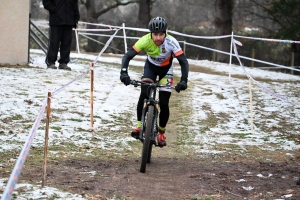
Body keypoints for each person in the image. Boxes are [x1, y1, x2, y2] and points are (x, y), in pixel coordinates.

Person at [120, 16, 189, 147]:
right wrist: (123, 73)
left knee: (164, 102)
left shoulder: (171, 42)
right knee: (144, 93)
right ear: (151, 33)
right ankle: (139, 126)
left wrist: (184, 80)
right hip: (150, 69)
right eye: (155, 34)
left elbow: (183, 61)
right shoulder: (145, 40)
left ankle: (161, 132)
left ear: (166, 32)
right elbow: (128, 56)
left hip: (166, 71)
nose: (158, 38)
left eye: (161, 34)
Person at [42, 0, 80, 70]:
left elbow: (75, 4)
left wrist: (76, 17)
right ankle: (51, 62)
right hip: (56, 20)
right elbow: (46, 2)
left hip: (69, 21)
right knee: (54, 42)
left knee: (66, 43)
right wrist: (55, 9)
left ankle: (63, 62)